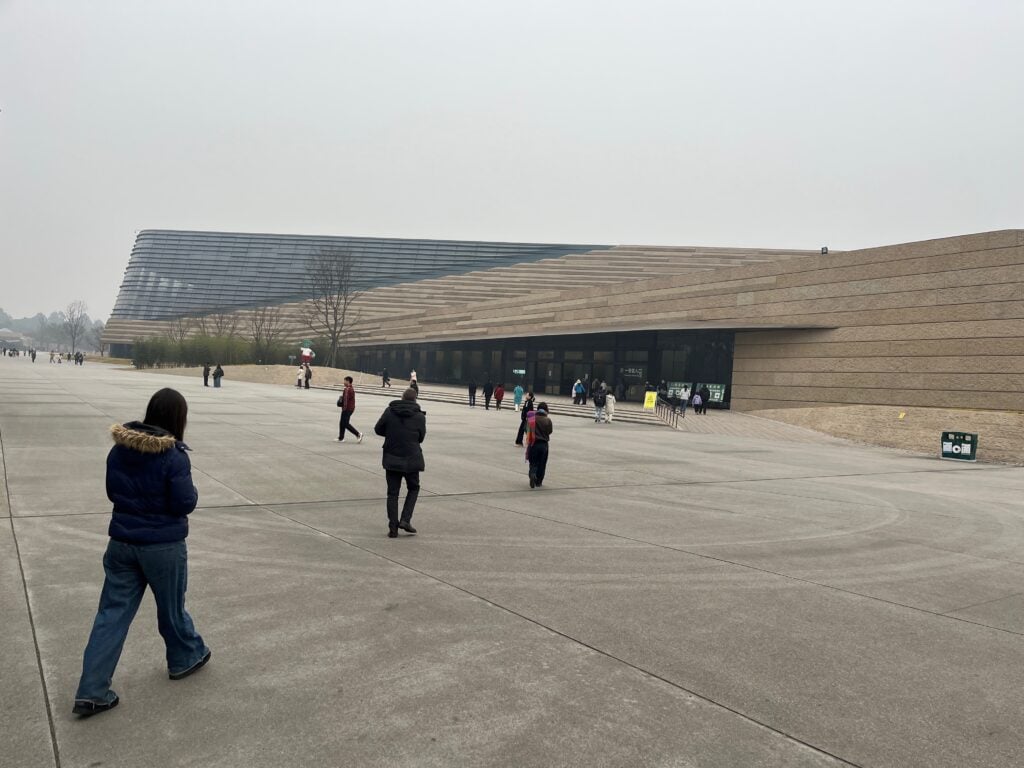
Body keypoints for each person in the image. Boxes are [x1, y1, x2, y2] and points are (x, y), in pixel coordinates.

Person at [73, 388, 210, 718]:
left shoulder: (120, 450)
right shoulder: (174, 456)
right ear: (178, 417)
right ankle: (184, 656)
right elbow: (183, 503)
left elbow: (112, 492)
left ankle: (91, 690)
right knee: (172, 609)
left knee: (112, 613)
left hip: (121, 543)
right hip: (162, 546)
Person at [374, 388, 426, 538]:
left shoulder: (390, 411)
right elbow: (421, 438)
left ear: (402, 398)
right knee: (414, 488)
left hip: (392, 457)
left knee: (392, 493)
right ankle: (405, 519)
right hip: (412, 458)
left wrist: (391, 433)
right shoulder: (420, 417)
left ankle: (393, 528)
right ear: (415, 399)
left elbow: (378, 429)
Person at [527, 402, 553, 488]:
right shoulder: (548, 420)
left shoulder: (532, 418)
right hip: (543, 444)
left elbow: (526, 430)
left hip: (533, 443)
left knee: (533, 461)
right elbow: (550, 431)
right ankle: (538, 481)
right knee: (542, 463)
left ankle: (532, 473)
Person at [336, 376, 363, 443]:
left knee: (345, 423)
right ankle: (341, 438)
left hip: (347, 409)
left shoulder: (348, 389)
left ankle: (358, 434)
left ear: (348, 381)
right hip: (350, 408)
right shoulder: (350, 388)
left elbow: (345, 400)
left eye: (344, 380)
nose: (343, 382)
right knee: (342, 423)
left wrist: (344, 409)